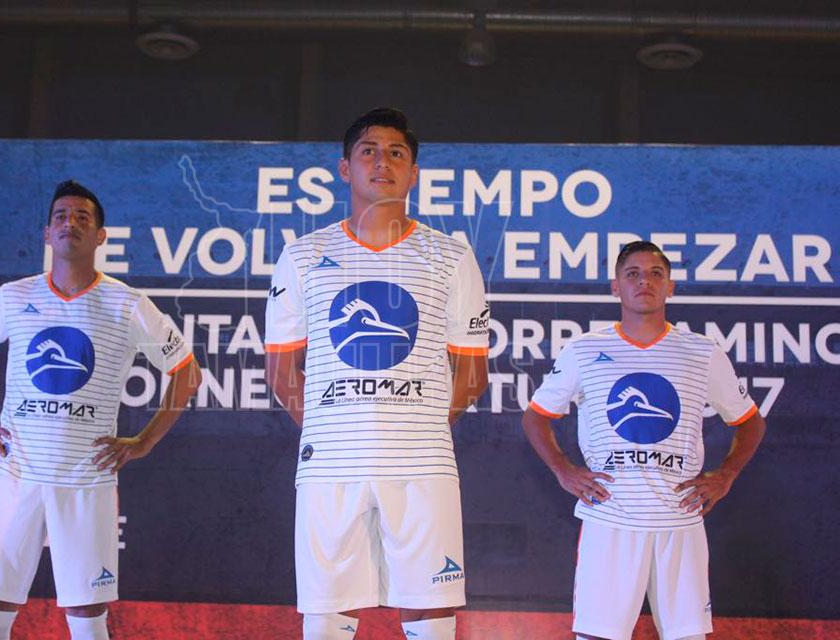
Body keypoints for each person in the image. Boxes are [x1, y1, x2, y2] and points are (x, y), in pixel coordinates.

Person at [0, 180, 201, 640]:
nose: (70, 224)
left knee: (87, 619)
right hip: (13, 472)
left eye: (83, 217)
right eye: (60, 216)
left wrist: (145, 441)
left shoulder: (127, 304)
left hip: (86, 477)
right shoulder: (14, 297)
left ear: (100, 236)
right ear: (47, 233)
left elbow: (187, 372)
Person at [264, 107, 489, 640]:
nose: (382, 161)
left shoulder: (451, 256)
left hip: (422, 465)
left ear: (414, 173)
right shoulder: (303, 255)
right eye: (368, 150)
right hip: (329, 467)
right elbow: (281, 370)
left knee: (429, 609)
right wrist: (329, 429)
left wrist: (419, 427)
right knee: (328, 611)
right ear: (345, 167)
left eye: (396, 153)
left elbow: (472, 372)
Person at [521, 240, 766, 640]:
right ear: (615, 286)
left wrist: (726, 475)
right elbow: (536, 416)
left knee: (687, 635)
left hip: (680, 517)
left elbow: (750, 422)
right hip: (611, 516)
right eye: (632, 274)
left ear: (670, 287)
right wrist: (563, 470)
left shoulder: (701, 352)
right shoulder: (585, 350)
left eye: (655, 274)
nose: (644, 282)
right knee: (598, 635)